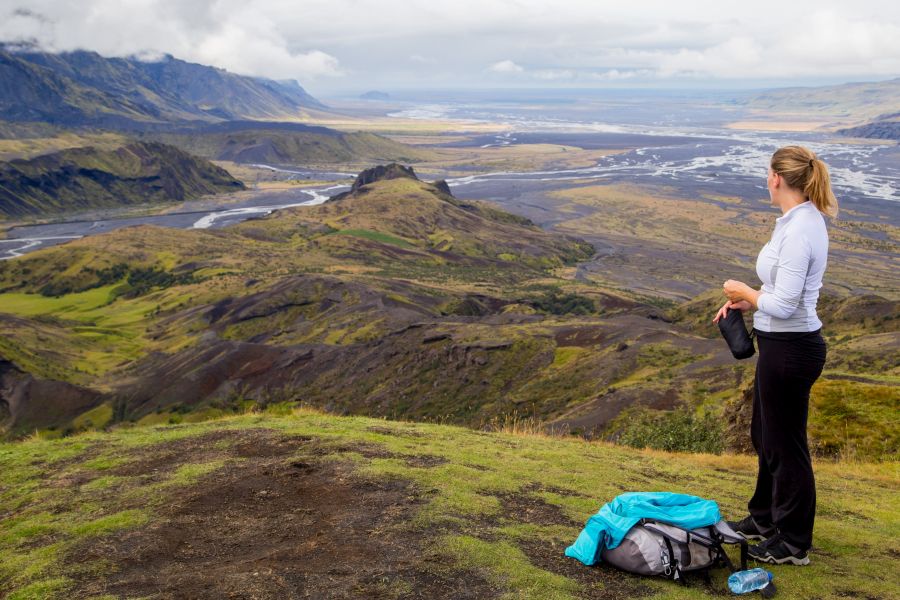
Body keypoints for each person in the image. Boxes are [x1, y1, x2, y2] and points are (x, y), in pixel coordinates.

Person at [712, 145, 838, 566]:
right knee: (765, 437)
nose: (766, 179)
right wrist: (752, 303)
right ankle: (764, 517)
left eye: (767, 172)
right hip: (778, 345)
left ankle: (794, 541)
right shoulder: (793, 223)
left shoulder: (802, 228)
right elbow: (783, 294)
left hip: (791, 349)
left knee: (786, 446)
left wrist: (744, 291)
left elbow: (786, 306)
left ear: (777, 178)